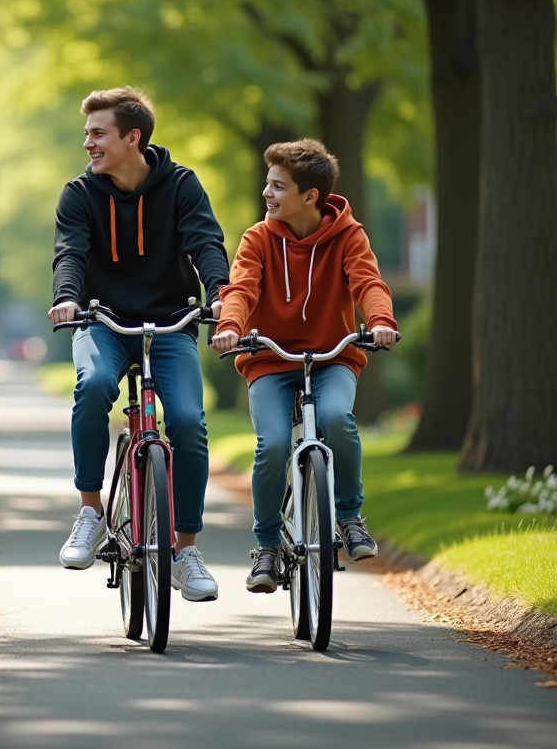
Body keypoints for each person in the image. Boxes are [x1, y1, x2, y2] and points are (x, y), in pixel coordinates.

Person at [49, 86, 230, 602]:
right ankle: (91, 512)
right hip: (101, 321)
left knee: (190, 422)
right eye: (86, 133)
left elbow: (206, 245)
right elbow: (71, 254)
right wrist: (67, 298)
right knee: (96, 384)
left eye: (97, 133)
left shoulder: (181, 185)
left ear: (133, 138)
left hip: (172, 323)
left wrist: (219, 295)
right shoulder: (79, 194)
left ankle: (186, 548)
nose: (87, 143)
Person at [211, 139, 397, 593]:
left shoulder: (349, 235)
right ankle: (267, 547)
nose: (267, 194)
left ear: (309, 196)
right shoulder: (258, 237)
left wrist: (380, 321)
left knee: (336, 418)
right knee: (272, 444)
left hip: (333, 355)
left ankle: (351, 517)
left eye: (277, 186)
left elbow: (368, 281)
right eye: (267, 184)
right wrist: (231, 325)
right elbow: (241, 287)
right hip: (269, 358)